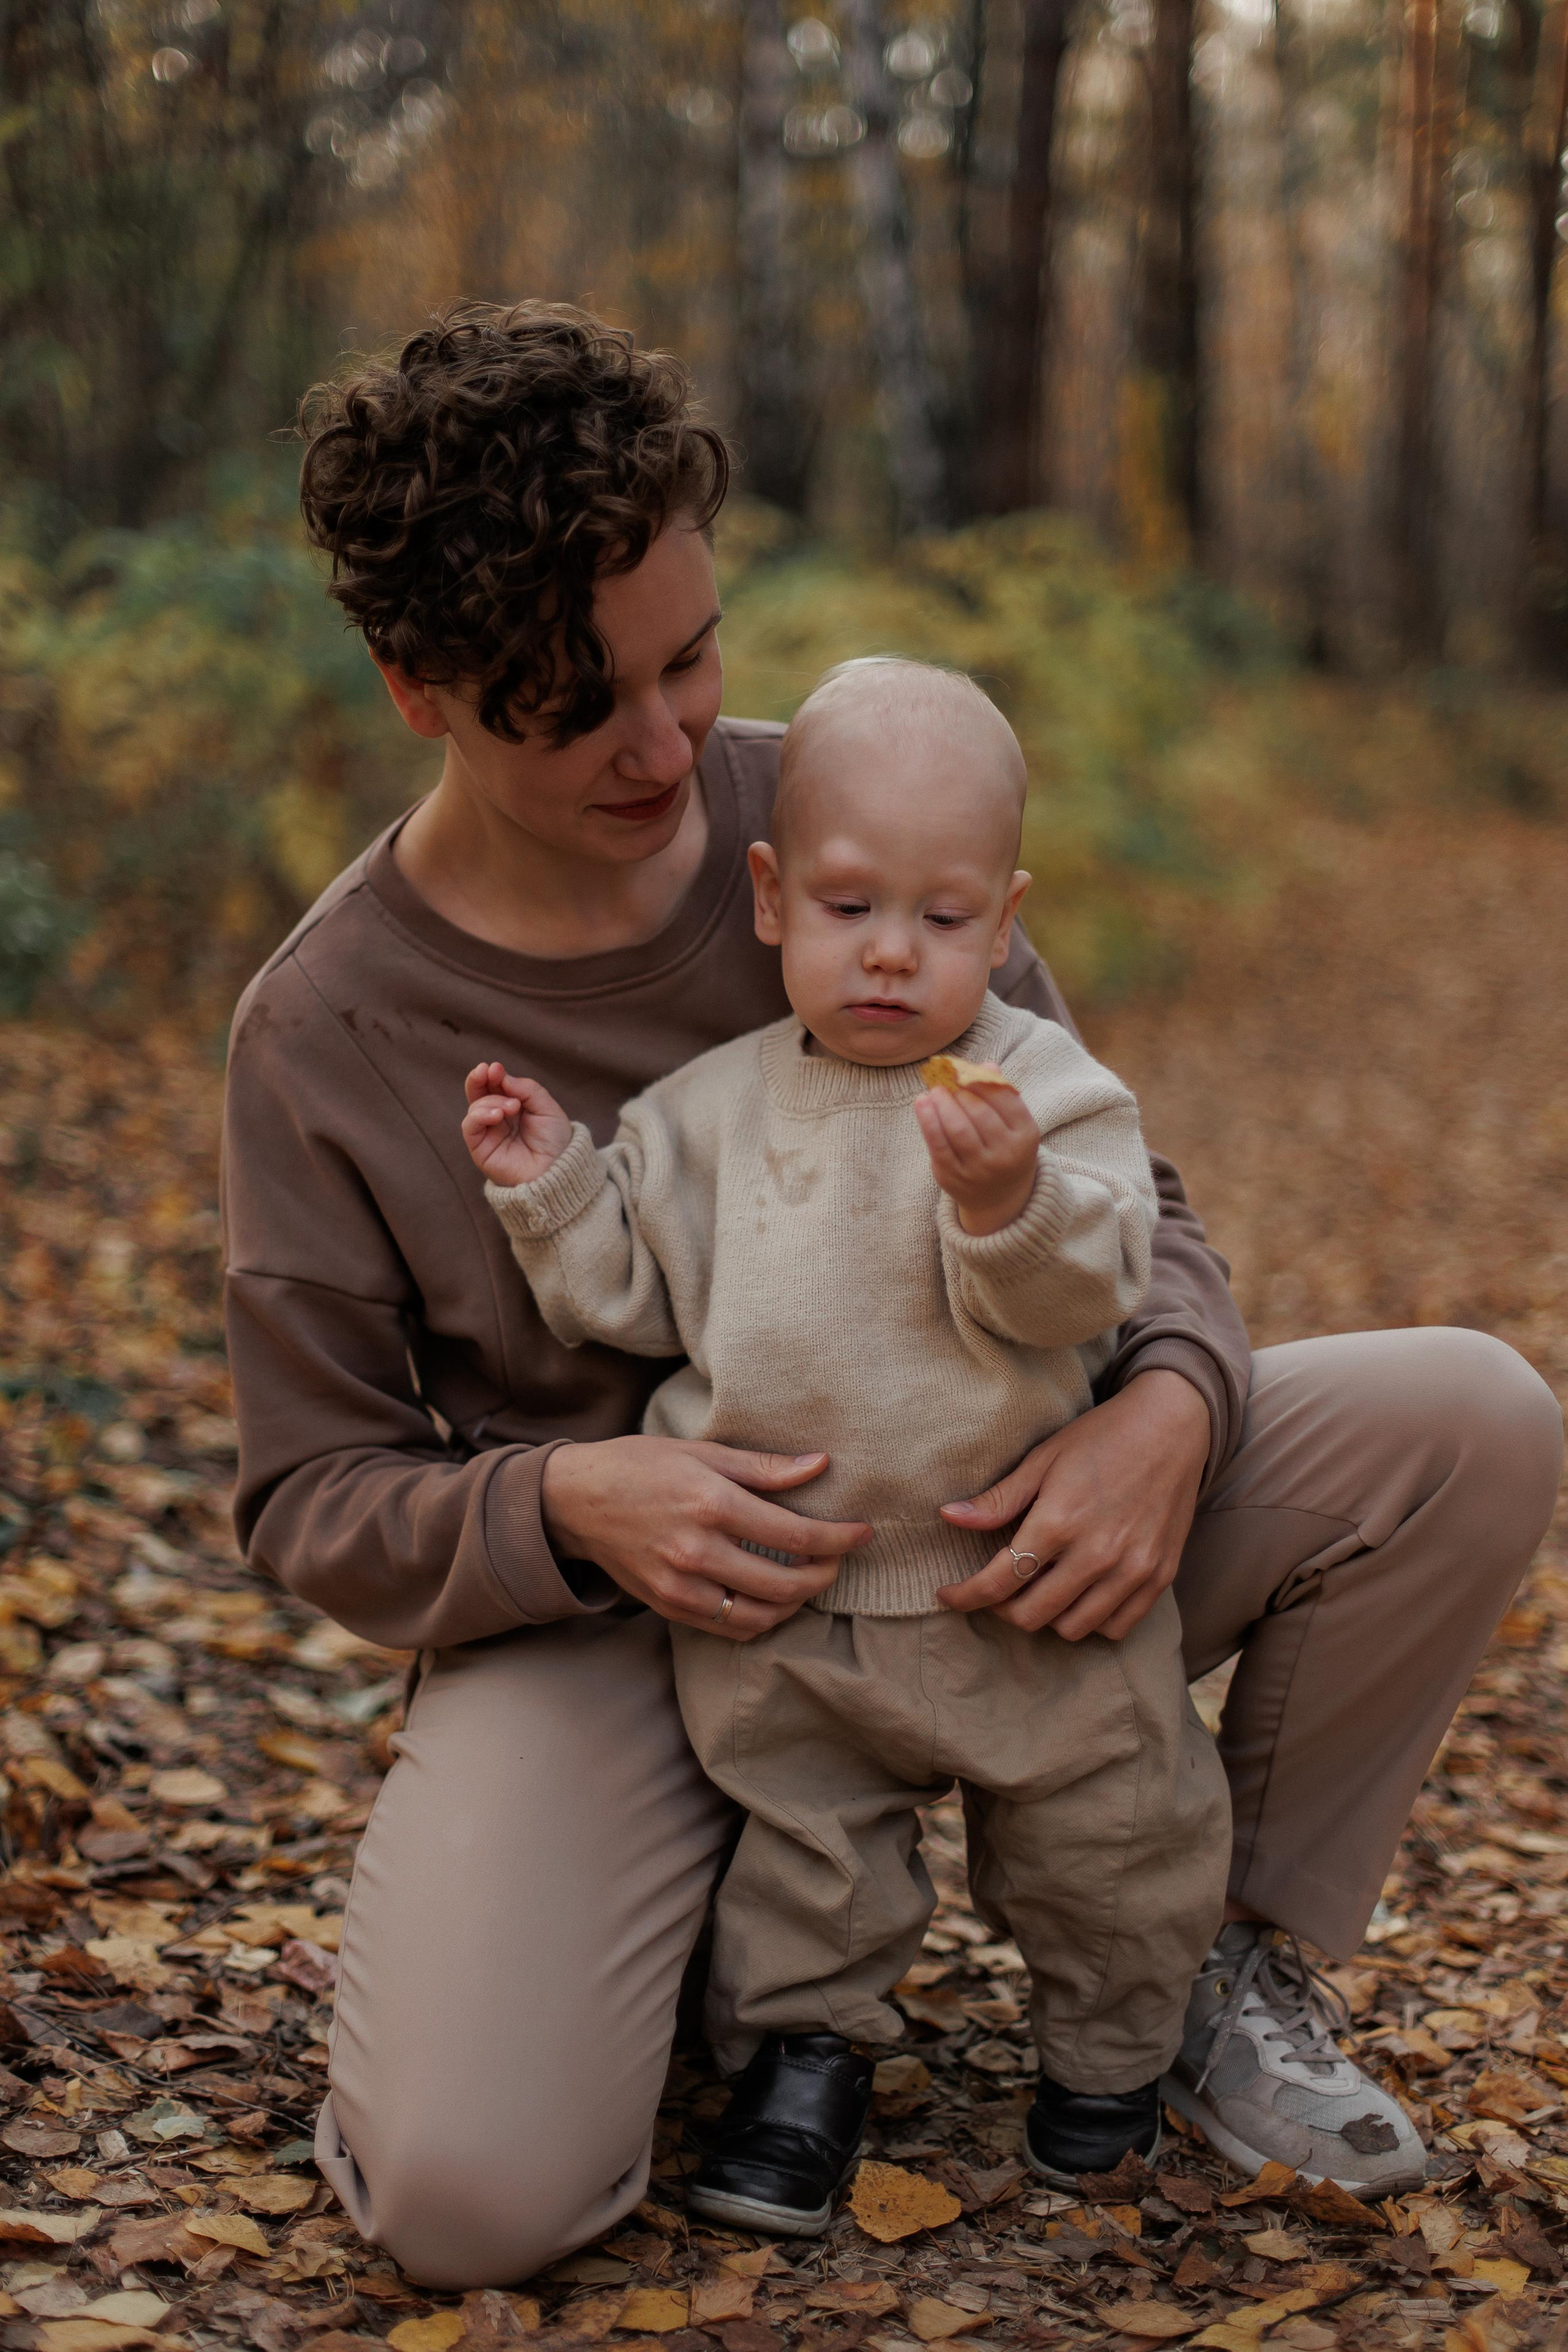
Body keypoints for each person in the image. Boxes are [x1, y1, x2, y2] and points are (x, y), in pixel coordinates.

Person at [221, 300, 1564, 2290]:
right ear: (422, 689)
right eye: (583, 705)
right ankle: (675, 1953)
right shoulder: (332, 1030)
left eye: (692, 660)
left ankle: (1213, 1974)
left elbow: (1133, 1188)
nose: (675, 751)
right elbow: (313, 1499)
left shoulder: (860, 819)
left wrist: (1168, 1409)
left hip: (996, 1537)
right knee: (472, 2198)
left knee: (1469, 1418)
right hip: (639, 1638)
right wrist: (572, 1507)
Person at [461, 654, 1231, 2231]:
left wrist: (1004, 1203)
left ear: (1003, 924)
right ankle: (807, 2064)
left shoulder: (1043, 1090)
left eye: (943, 922)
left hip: (1021, 1586)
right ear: (769, 897)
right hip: (792, 1604)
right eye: (848, 907)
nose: (891, 954)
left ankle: (1105, 2062)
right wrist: (550, 1186)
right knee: (803, 1857)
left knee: (1112, 1837)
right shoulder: (703, 1113)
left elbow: (1094, 1281)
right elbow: (627, 1297)